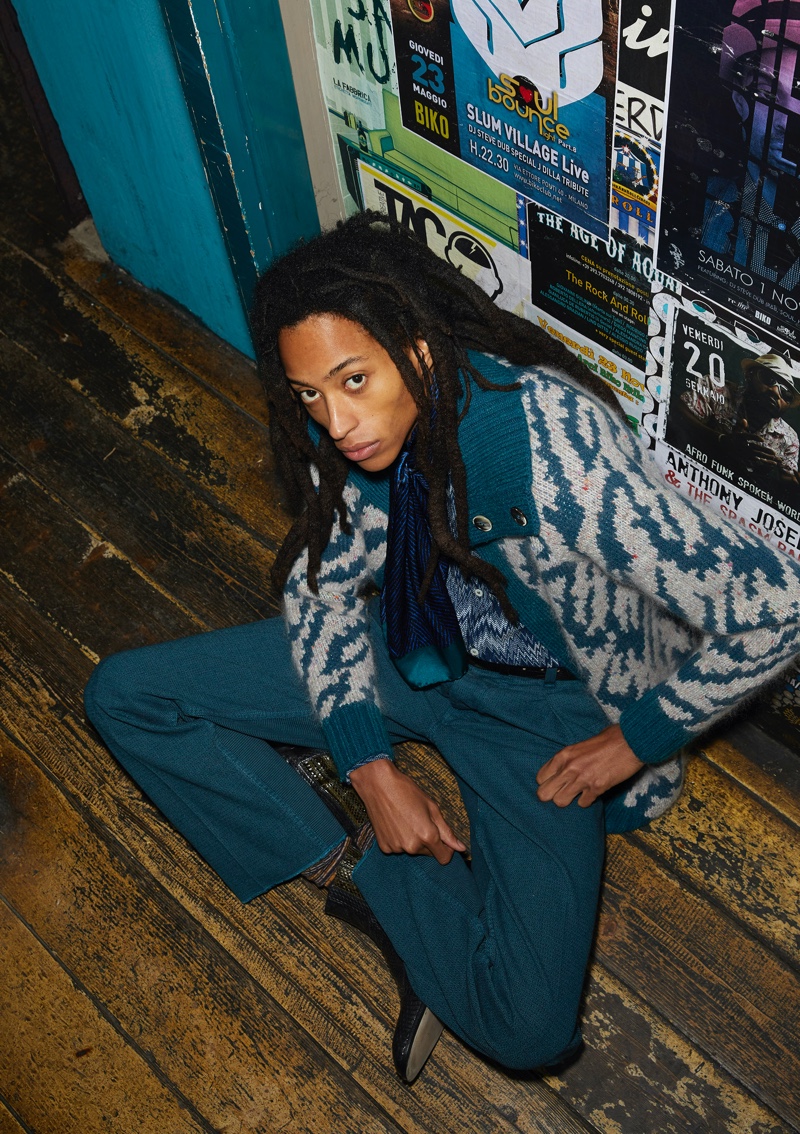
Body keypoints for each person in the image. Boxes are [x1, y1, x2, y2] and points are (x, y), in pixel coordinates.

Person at [84, 213, 800, 1084]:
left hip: (544, 715)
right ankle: (351, 858)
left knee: (528, 1033)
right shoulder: (341, 435)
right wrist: (367, 766)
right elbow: (319, 588)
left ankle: (388, 892)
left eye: (354, 380)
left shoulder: (556, 449)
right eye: (308, 394)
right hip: (411, 649)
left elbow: (778, 608)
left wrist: (634, 740)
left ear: (419, 349)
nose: (336, 421)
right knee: (125, 697)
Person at [677, 351, 800, 485]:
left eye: (786, 394)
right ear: (749, 375)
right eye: (768, 378)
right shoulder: (715, 389)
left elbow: (788, 479)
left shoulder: (789, 439)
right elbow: (678, 413)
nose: (775, 392)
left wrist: (792, 486)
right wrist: (721, 440)